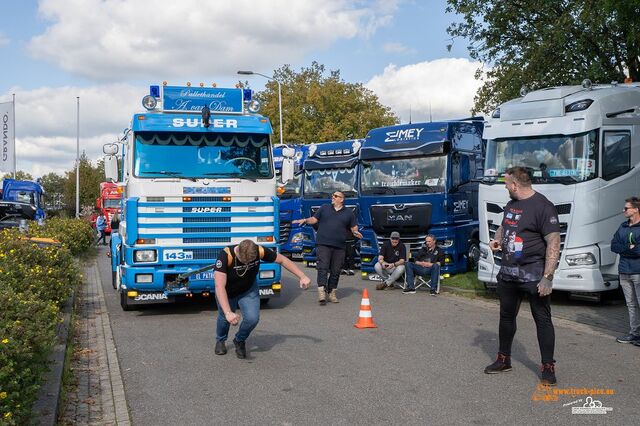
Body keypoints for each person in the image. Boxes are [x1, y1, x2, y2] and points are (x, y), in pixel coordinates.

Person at [484, 166, 561, 386]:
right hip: (508, 274)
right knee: (506, 318)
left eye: (506, 183)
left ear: (515, 185)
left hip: (533, 275)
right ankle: (503, 359)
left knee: (542, 320)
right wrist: (496, 240)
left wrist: (548, 276)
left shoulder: (543, 207)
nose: (505, 187)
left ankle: (548, 367)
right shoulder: (511, 205)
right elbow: (503, 227)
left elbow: (554, 242)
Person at [214, 239, 311, 358]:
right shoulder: (225, 255)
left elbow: (282, 260)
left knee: (252, 318)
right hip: (227, 292)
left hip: (248, 289)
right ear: (238, 251)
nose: (245, 264)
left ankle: (239, 340)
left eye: (248, 262)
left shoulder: (259, 250)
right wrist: (228, 312)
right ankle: (221, 340)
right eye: (243, 261)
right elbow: (219, 286)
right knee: (224, 318)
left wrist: (302, 276)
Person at [293, 191, 362, 305]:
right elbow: (314, 220)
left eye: (335, 196)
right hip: (323, 244)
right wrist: (305, 220)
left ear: (342, 199)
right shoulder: (324, 208)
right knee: (323, 267)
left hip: (340, 246)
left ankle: (331, 292)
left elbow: (354, 227)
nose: (333, 197)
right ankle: (321, 292)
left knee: (335, 271)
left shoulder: (349, 213)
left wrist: (355, 232)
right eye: (332, 196)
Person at [611, 196, 640, 346]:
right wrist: (627, 249)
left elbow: (638, 252)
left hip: (638, 272)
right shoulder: (622, 226)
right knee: (631, 304)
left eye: (626, 208)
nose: (623, 210)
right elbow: (613, 245)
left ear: (636, 209)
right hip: (624, 271)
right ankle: (634, 334)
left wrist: (628, 250)